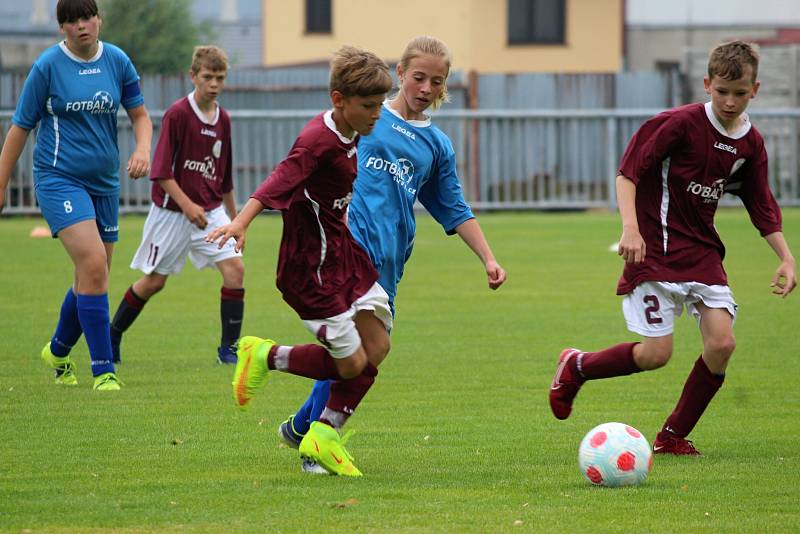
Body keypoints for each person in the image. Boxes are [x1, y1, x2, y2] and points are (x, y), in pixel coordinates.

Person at [549, 41, 796, 455]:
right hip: (655, 251)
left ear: (755, 89)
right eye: (721, 91)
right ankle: (576, 366)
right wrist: (630, 229)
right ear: (706, 85)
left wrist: (786, 256)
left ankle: (672, 436)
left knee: (723, 345)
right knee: (656, 354)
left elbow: (761, 204)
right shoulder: (677, 124)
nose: (730, 101)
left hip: (702, 254)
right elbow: (627, 174)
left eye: (739, 92)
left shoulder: (750, 143)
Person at [277, 36, 507, 473]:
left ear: (443, 88)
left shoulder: (436, 146)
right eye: (418, 77)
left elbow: (454, 207)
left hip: (389, 259)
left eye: (436, 82)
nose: (425, 87)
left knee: (364, 353)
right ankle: (318, 442)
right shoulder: (367, 117)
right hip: (346, 249)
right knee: (362, 349)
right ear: (399, 73)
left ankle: (302, 424)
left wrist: (488, 258)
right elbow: (314, 157)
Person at [206, 45, 393, 477]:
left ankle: (323, 436)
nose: (376, 114)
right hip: (311, 268)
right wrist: (241, 221)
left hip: (344, 255)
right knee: (352, 364)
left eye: (381, 105)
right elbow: (280, 178)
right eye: (369, 106)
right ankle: (266, 357)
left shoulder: (353, 131)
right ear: (338, 100)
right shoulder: (317, 140)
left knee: (377, 347)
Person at [0, 0, 152, 391]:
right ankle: (104, 370)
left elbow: (139, 115)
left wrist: (142, 148)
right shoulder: (47, 67)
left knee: (93, 274)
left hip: (105, 183)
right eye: (71, 20)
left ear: (99, 19)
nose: (81, 26)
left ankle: (57, 349)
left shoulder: (117, 60)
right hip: (58, 180)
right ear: (61, 28)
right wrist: (0, 184)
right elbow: (19, 129)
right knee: (94, 264)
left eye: (87, 17)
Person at [108, 45, 244, 365]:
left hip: (209, 213)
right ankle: (113, 333)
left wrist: (237, 223)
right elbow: (160, 172)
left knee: (235, 270)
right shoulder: (178, 114)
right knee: (155, 282)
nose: (214, 84)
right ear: (193, 76)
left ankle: (228, 350)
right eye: (208, 77)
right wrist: (187, 206)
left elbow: (224, 179)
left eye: (220, 78)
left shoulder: (223, 118)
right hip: (172, 213)